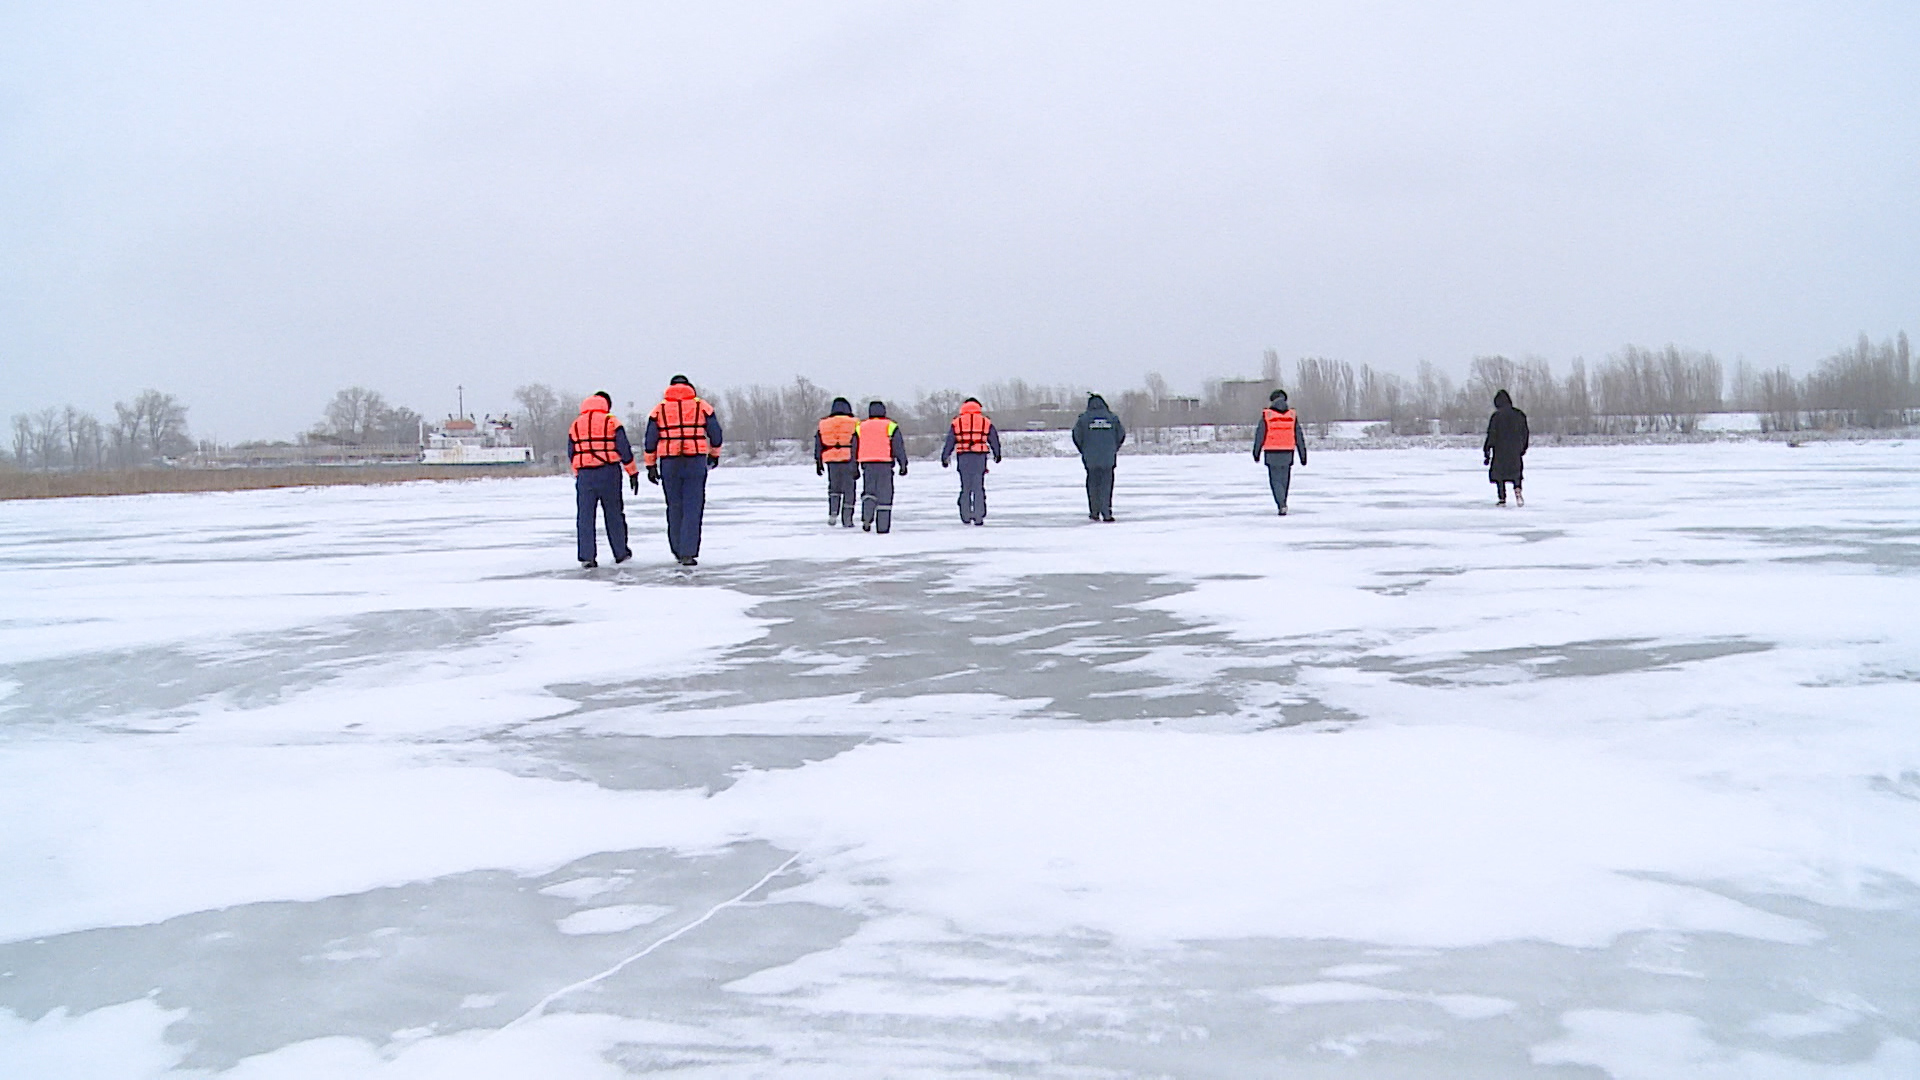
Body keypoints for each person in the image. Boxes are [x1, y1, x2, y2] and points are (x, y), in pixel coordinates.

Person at [643, 375, 723, 565]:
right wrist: (714, 454)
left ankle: (678, 550)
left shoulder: (659, 409)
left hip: (669, 462)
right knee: (693, 506)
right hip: (695, 460)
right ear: (690, 387)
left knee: (674, 506)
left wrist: (650, 465)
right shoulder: (702, 406)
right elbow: (716, 434)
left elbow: (650, 440)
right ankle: (688, 552)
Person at [566, 392, 638, 568]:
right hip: (609, 472)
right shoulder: (611, 421)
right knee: (614, 513)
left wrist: (578, 472)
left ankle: (587, 556)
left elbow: (572, 451)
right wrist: (632, 472)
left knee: (585, 516)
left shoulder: (576, 424)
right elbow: (623, 448)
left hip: (585, 475)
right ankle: (620, 552)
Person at [940, 397, 1002, 525]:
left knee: (965, 487)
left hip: (963, 457)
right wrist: (997, 454)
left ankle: (966, 515)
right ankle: (979, 516)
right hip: (979, 457)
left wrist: (945, 457)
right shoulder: (985, 422)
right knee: (978, 487)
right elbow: (994, 439)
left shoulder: (957, 422)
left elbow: (950, 441)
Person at [849, 400, 907, 533]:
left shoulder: (860, 427)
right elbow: (898, 447)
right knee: (885, 495)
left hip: (867, 465)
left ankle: (867, 517)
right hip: (885, 464)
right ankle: (882, 527)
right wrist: (903, 464)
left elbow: (853, 448)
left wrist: (854, 466)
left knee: (869, 492)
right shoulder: (891, 426)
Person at [1252, 388, 1309, 515]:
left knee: (1275, 481)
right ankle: (1283, 502)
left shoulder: (1268, 415)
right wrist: (1303, 455)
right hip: (1288, 452)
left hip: (1272, 452)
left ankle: (1281, 504)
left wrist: (1256, 452)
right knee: (1285, 480)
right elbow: (1299, 436)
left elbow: (1260, 435)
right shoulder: (1291, 416)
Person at [1071, 393, 1126, 522]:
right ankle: (1106, 513)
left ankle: (1094, 512)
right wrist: (1113, 449)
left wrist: (1084, 450)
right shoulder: (1112, 418)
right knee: (1106, 485)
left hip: (1091, 459)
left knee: (1092, 485)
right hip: (1107, 459)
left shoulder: (1084, 419)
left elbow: (1076, 436)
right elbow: (1121, 435)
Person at [814, 397, 860, 528]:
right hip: (848, 458)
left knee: (834, 487)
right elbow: (858, 442)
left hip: (831, 459)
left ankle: (833, 512)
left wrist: (818, 461)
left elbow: (819, 444)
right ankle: (847, 519)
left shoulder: (824, 423)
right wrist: (858, 461)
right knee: (849, 490)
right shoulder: (854, 423)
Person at [1484, 388, 1530, 507]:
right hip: (1515, 451)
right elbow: (1525, 433)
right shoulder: (1519, 415)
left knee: (1499, 475)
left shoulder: (1496, 417)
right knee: (1516, 473)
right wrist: (1523, 447)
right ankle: (1518, 491)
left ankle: (1502, 498)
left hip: (1500, 452)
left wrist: (1487, 450)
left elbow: (1491, 434)